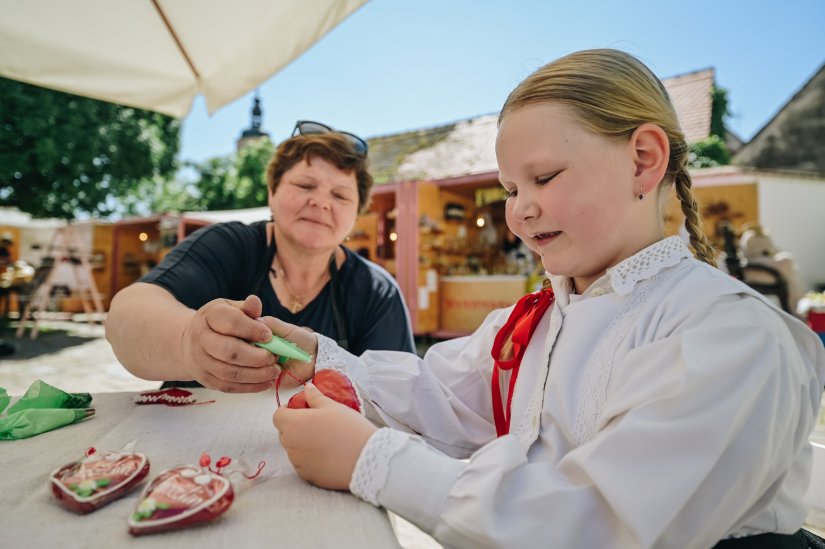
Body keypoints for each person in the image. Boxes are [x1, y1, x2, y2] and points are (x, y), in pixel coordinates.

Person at [269, 50, 825, 548]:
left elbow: (601, 522)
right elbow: (439, 394)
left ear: (643, 159)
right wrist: (308, 356)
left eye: (544, 177)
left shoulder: (729, 335)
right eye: (512, 189)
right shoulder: (544, 316)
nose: (520, 209)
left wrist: (373, 462)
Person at [106, 121, 415, 392]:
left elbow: (401, 394)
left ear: (356, 213)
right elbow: (126, 316)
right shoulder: (228, 245)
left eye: (340, 195)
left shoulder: (376, 292)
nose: (321, 202)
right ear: (272, 191)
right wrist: (189, 342)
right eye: (305, 185)